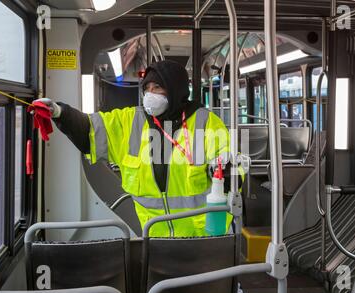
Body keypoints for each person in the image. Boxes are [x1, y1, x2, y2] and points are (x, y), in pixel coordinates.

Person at [34, 60, 236, 238]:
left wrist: (223, 168)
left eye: (158, 87)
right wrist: (60, 112)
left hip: (204, 235)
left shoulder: (205, 122)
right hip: (153, 236)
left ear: (175, 89)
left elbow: (230, 165)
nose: (150, 94)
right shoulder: (129, 121)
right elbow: (89, 128)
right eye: (147, 88)